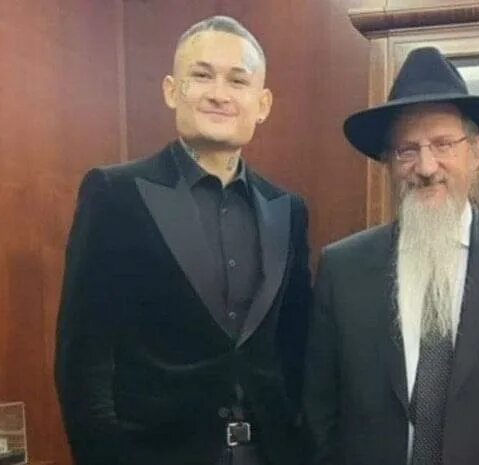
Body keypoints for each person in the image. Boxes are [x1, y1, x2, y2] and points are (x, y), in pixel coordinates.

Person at [303, 47, 479, 465]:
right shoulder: (343, 269)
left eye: (443, 144)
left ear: (476, 150)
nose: (426, 166)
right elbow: (319, 411)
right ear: (388, 163)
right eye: (407, 150)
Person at [55, 16, 310, 465]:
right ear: (172, 90)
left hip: (268, 452)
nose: (219, 93)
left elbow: (296, 348)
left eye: (238, 80)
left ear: (262, 103)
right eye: (202, 75)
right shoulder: (116, 193)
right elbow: (83, 358)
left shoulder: (287, 209)